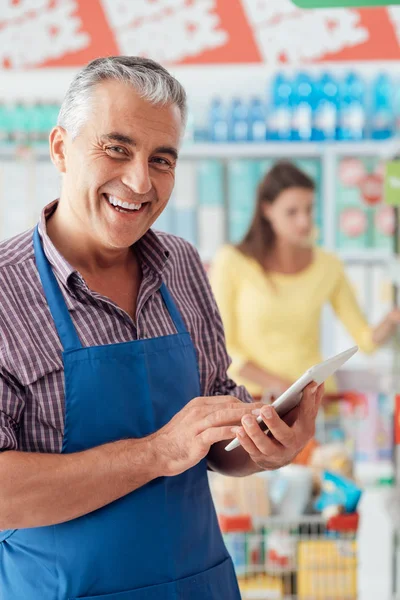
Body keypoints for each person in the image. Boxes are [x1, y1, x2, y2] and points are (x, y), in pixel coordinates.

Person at [0, 58, 323, 600]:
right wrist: (156, 452)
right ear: (61, 148)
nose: (140, 181)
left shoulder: (182, 264)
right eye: (117, 149)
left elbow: (214, 435)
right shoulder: (7, 293)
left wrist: (265, 447)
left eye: (162, 159)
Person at [210, 160, 400, 400]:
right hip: (252, 401)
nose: (304, 221)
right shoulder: (232, 262)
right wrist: (284, 388)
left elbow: (366, 340)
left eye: (309, 209)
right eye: (292, 212)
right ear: (267, 210)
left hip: (314, 401)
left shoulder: (328, 266)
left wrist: (394, 317)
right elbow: (223, 349)